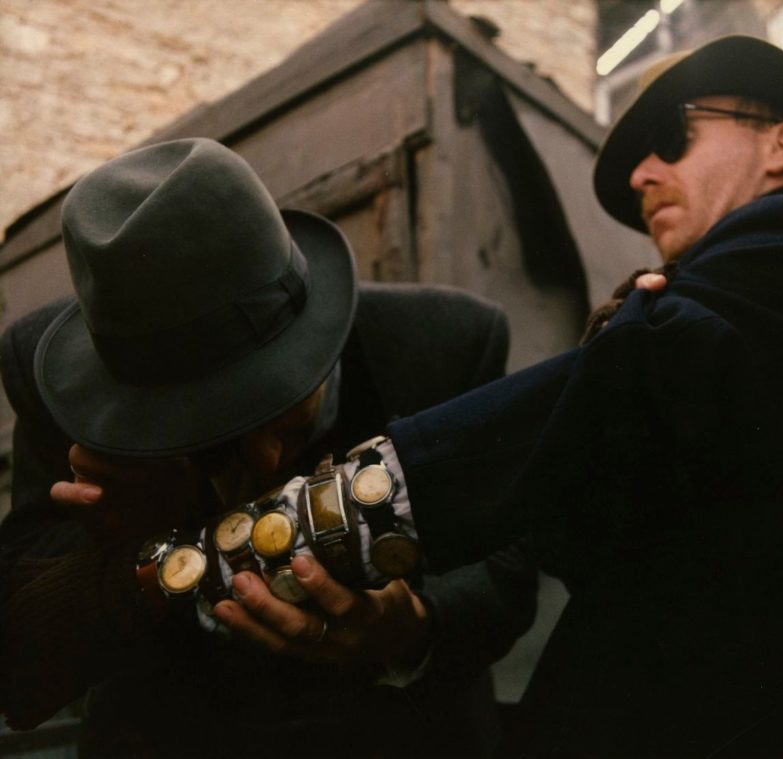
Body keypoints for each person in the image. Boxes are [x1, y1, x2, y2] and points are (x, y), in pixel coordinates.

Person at [218, 36, 783, 756]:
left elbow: (618, 395)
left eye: (673, 136)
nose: (641, 175)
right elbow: (560, 536)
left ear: (782, 144)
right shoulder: (715, 336)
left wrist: (312, 519)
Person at [0, 137, 537, 756]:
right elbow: (21, 640)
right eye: (214, 444)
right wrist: (123, 550)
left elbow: (507, 567)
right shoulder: (54, 391)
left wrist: (411, 627)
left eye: (283, 422)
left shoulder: (444, 343)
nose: (266, 465)